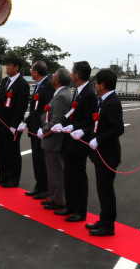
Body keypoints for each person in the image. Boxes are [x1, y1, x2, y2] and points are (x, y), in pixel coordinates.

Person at [52, 61, 97, 222]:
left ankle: (80, 210)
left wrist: (75, 127)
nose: (71, 75)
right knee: (69, 175)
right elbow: (71, 113)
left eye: (73, 72)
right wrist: (62, 124)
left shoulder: (90, 94)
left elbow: (90, 121)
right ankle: (70, 206)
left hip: (79, 141)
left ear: (77, 75)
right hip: (69, 140)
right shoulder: (77, 91)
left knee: (78, 176)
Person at [85, 69, 125, 236]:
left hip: (108, 153)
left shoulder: (112, 102)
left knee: (106, 189)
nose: (95, 85)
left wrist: (98, 140)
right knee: (102, 188)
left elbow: (118, 128)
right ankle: (103, 219)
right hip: (101, 153)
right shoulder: (103, 101)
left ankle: (108, 225)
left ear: (102, 84)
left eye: (96, 83)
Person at [0, 55, 30, 188]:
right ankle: (2, 176)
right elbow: (1, 100)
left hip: (12, 125)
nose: (7, 67)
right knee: (2, 151)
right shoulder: (5, 81)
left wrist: (14, 125)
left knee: (13, 152)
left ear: (17, 67)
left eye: (9, 65)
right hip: (0, 122)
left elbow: (21, 107)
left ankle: (13, 179)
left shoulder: (23, 84)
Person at [20, 60, 54, 199]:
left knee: (42, 159)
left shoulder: (48, 86)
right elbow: (35, 110)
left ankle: (45, 189)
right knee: (36, 159)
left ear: (37, 72)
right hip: (34, 128)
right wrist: (26, 122)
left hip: (41, 130)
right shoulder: (39, 86)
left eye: (32, 69)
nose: (30, 71)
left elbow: (47, 110)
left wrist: (42, 128)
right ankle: (38, 186)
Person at [38, 67, 71, 211]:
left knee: (56, 172)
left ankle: (58, 200)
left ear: (57, 80)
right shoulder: (63, 93)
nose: (52, 77)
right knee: (53, 171)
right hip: (53, 140)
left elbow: (56, 119)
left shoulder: (62, 95)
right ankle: (53, 197)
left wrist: (44, 131)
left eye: (54, 75)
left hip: (54, 140)